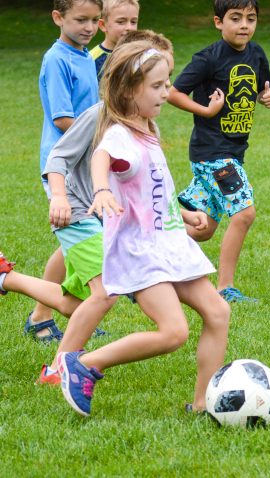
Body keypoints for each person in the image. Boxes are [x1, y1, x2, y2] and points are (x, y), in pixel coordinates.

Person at [56, 41, 230, 417]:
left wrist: (182, 217)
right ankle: (85, 363)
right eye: (157, 86)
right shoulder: (118, 134)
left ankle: (202, 405)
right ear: (128, 90)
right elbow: (101, 157)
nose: (166, 93)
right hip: (139, 252)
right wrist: (101, 189)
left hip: (170, 244)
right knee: (173, 332)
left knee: (218, 313)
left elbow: (152, 192)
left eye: (167, 83)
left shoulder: (147, 129)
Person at [168, 0, 270, 303]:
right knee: (244, 213)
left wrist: (267, 97)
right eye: (236, 18)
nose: (244, 25)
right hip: (213, 153)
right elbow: (173, 93)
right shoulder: (207, 58)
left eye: (251, 18)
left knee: (202, 229)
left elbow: (260, 90)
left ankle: (148, 245)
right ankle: (224, 289)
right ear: (218, 22)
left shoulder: (257, 53)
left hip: (233, 151)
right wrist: (205, 109)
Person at [28, 0, 103, 342]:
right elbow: (62, 118)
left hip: (86, 160)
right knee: (81, 237)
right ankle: (47, 317)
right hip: (64, 164)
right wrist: (103, 135)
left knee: (74, 242)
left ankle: (56, 314)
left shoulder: (85, 56)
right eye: (80, 20)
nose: (89, 27)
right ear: (58, 18)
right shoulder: (56, 59)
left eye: (94, 20)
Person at [90, 0, 139, 81]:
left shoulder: (140, 55)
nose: (129, 27)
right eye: (121, 22)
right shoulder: (91, 60)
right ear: (103, 25)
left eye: (133, 22)